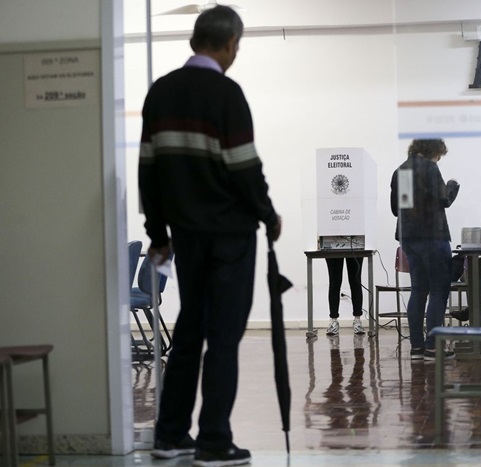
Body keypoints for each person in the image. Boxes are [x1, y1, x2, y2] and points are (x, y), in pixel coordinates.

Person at [138, 6, 281, 466]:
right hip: (232, 235)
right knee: (223, 337)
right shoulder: (226, 93)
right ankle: (214, 441)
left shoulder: (160, 93)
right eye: (236, 45)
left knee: (189, 332)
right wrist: (267, 213)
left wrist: (158, 235)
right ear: (228, 43)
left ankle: (170, 435)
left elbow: (149, 172)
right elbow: (243, 165)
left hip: (187, 236)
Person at [390, 139, 460, 361]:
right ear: (434, 152)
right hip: (433, 237)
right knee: (439, 290)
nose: (439, 159)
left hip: (409, 238)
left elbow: (397, 208)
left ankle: (416, 348)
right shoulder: (430, 168)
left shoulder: (401, 170)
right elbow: (444, 200)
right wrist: (452, 186)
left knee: (418, 291)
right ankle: (433, 348)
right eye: (440, 155)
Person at [325, 257, 365, 336]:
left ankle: (357, 320)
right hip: (333, 250)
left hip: (354, 247)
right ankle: (333, 320)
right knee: (334, 282)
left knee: (356, 282)